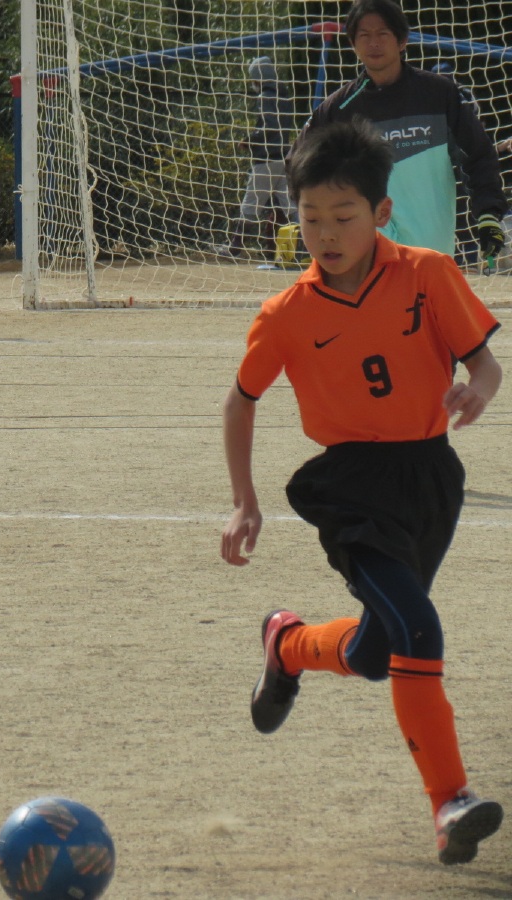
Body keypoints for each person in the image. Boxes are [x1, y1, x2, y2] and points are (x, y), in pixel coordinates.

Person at [221, 119, 503, 866]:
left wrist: (478, 388)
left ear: (381, 212)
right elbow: (240, 402)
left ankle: (288, 645)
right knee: (419, 628)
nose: (326, 234)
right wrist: (244, 500)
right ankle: (450, 802)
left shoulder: (428, 274)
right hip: (350, 486)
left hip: (431, 479)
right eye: (311, 217)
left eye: (343, 216)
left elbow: (484, 363)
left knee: (380, 651)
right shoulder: (285, 314)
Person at [291, 0, 507, 260]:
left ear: (402, 40)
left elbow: (478, 155)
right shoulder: (338, 108)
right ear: (353, 43)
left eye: (382, 34)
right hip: (366, 253)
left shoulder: (439, 94)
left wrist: (488, 214)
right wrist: (323, 218)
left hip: (431, 250)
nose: (374, 43)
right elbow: (298, 163)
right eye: (364, 35)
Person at [215, 56, 299, 260]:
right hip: (283, 157)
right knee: (290, 206)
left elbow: (269, 126)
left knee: (251, 204)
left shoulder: (265, 96)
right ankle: (303, 247)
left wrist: (250, 140)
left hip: (266, 159)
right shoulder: (284, 96)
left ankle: (235, 248)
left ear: (258, 77)